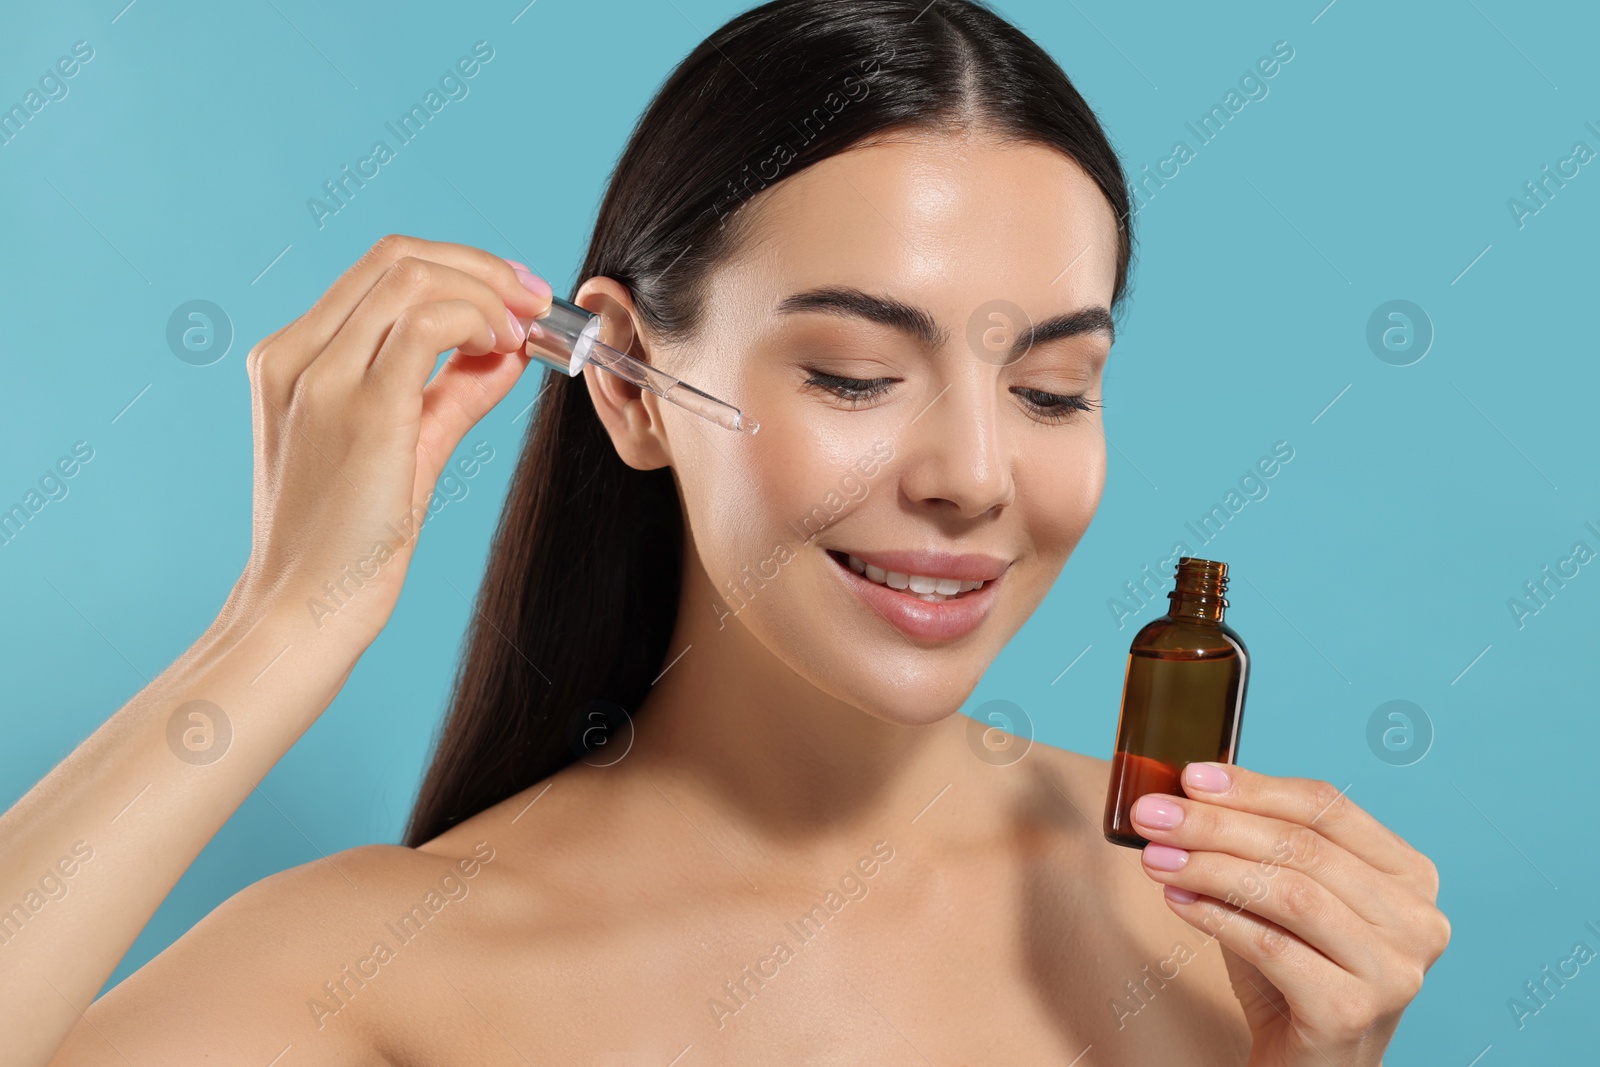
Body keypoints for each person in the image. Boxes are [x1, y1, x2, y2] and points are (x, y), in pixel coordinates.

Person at [4, 1, 1448, 1063]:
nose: (974, 475)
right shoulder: (371, 978)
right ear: (630, 383)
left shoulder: (1213, 921)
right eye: (853, 375)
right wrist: (282, 625)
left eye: (1054, 388)